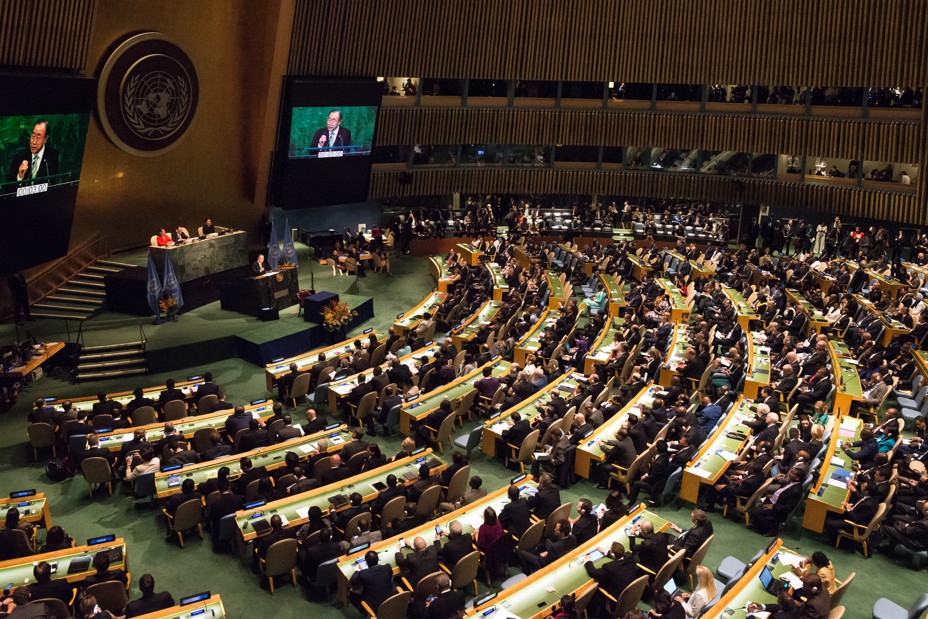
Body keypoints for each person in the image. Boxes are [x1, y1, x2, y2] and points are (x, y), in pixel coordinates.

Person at [7, 120, 58, 184]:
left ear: (45, 139)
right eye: (33, 136)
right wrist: (20, 177)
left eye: (38, 137)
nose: (34, 142)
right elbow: (7, 188)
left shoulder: (54, 156)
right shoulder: (19, 157)